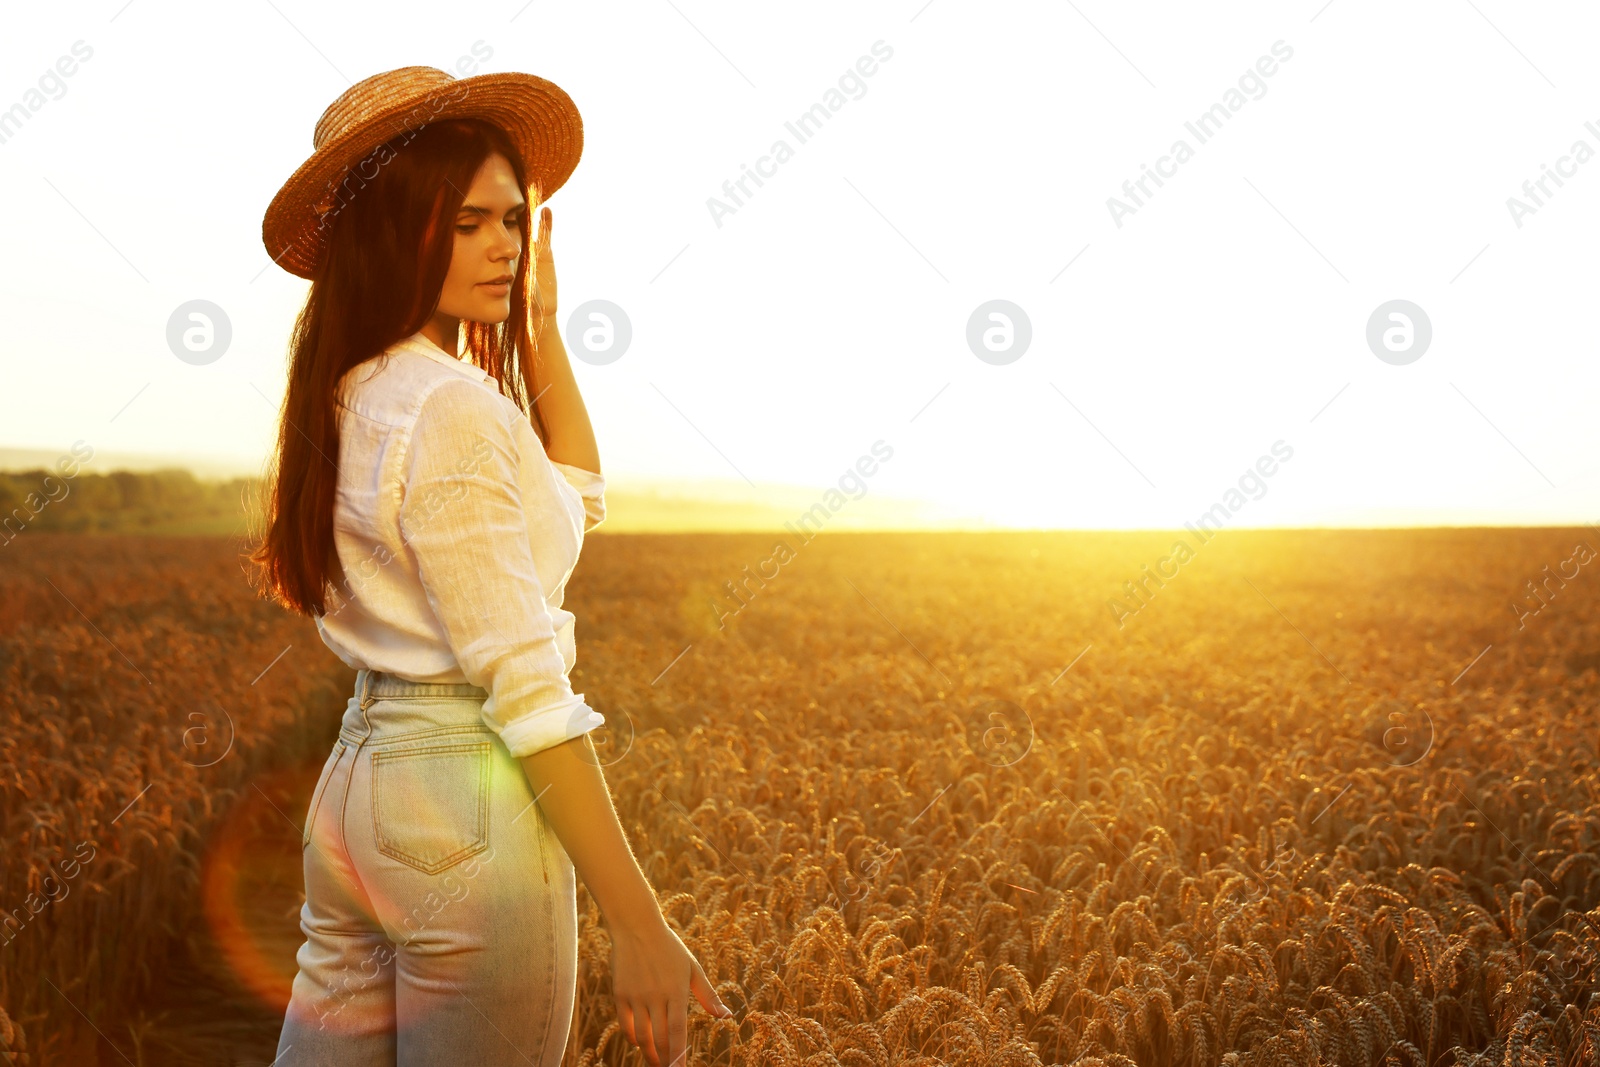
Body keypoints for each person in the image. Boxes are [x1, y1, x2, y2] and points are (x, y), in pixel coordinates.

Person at [249, 65, 732, 1066]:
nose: (504, 244)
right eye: (468, 220)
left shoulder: (347, 392)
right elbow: (527, 686)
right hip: (467, 803)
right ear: (396, 225)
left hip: (360, 787)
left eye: (514, 219)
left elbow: (571, 500)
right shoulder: (452, 407)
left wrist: (540, 332)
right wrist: (639, 923)